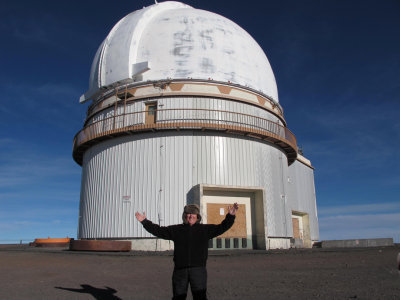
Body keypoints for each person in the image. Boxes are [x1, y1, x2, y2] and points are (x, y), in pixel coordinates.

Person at [135, 202, 239, 300]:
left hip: (198, 270)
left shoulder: (205, 230)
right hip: (180, 271)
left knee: (200, 297)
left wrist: (231, 216)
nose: (191, 216)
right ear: (184, 216)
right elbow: (159, 231)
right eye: (188, 214)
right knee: (178, 297)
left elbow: (222, 227)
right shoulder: (177, 230)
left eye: (193, 214)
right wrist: (145, 222)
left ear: (198, 216)